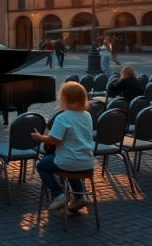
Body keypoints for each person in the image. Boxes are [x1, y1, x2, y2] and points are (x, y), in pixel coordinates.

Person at [32, 82, 94, 212]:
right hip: (87, 162)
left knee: (42, 165)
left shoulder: (62, 117)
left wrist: (40, 137)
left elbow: (54, 139)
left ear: (65, 98)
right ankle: (79, 196)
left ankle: (59, 195)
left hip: (67, 161)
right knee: (71, 164)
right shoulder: (87, 116)